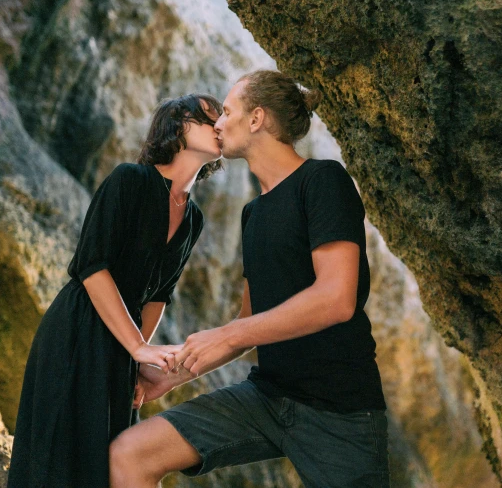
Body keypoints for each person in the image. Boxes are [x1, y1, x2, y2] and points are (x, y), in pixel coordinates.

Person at [110, 70, 389, 487]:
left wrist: (230, 336)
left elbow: (336, 297)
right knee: (130, 453)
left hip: (341, 411)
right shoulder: (253, 214)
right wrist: (172, 376)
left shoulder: (322, 181)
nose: (217, 124)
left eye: (226, 111)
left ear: (256, 119)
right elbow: (251, 321)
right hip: (265, 398)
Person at [7, 94, 224, 487]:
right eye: (207, 116)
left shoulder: (194, 217)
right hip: (77, 329)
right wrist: (137, 347)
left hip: (120, 348)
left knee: (105, 464)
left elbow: (159, 296)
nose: (219, 124)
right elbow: (92, 267)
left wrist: (140, 361)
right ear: (177, 124)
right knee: (56, 460)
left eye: (222, 118)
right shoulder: (130, 179)